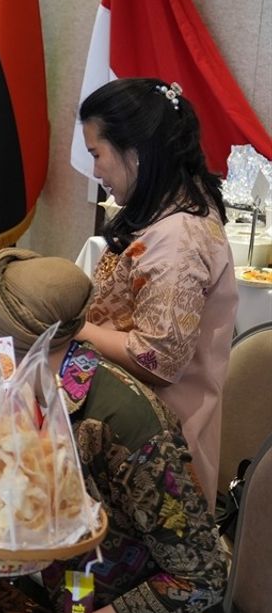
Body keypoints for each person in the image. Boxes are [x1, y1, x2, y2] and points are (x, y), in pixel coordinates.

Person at [0, 248, 227, 613]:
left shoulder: (125, 424)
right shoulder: (30, 397)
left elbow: (200, 578)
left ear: (8, 348)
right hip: (60, 598)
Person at [76, 78, 236, 510]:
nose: (95, 171)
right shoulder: (168, 209)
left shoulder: (177, 239)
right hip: (132, 423)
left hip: (158, 441)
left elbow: (157, 359)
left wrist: (75, 329)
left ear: (136, 151)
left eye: (97, 154)